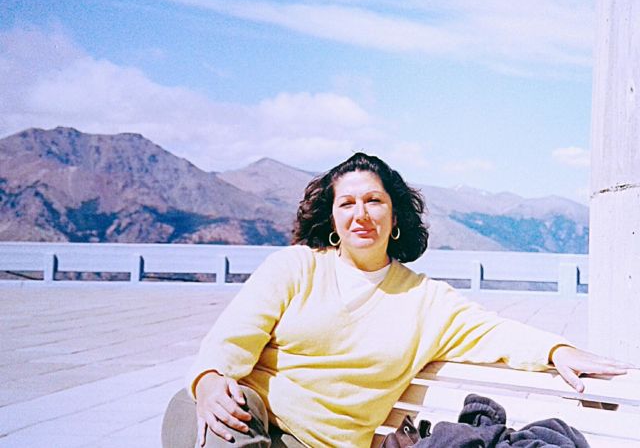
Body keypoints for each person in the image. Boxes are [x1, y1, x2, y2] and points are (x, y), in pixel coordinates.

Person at [162, 152, 630, 448]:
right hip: (251, 418)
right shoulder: (295, 267)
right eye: (347, 204)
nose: (361, 214)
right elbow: (231, 339)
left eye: (374, 201)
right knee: (212, 422)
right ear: (332, 219)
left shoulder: (425, 300)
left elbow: (494, 332)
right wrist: (209, 380)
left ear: (395, 215)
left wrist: (556, 350)